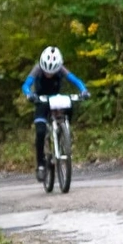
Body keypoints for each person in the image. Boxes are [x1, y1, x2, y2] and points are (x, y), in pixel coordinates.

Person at [21, 46, 89, 181]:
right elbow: (26, 85)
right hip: (41, 100)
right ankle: (41, 164)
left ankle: (63, 133)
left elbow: (76, 80)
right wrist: (29, 94)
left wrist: (84, 91)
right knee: (40, 132)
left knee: (69, 106)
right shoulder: (37, 69)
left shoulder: (61, 69)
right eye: (46, 72)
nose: (49, 74)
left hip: (56, 99)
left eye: (52, 72)